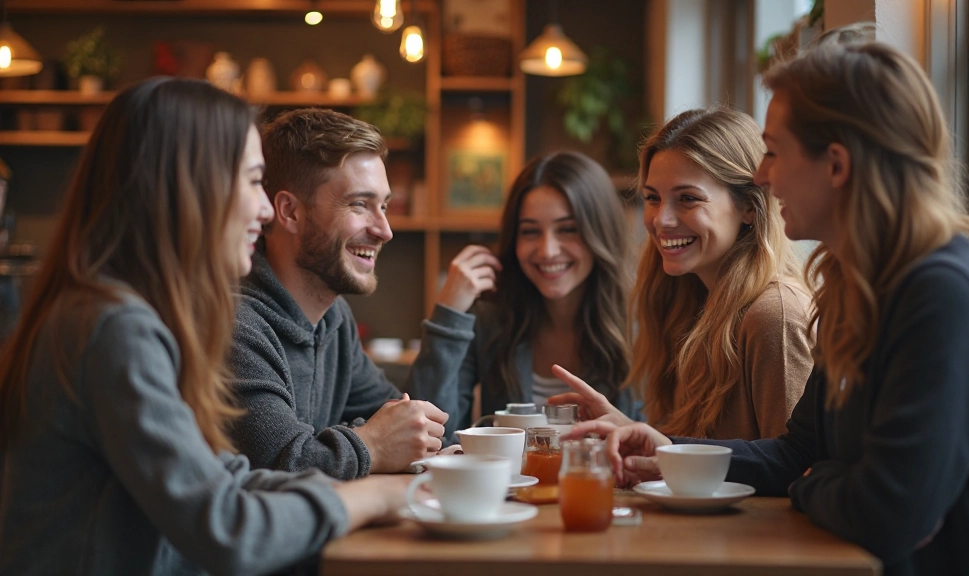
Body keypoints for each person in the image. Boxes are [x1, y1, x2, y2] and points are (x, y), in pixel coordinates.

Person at [573, 39, 969, 576]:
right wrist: (671, 449)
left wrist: (814, 481)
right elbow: (797, 451)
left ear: (836, 165)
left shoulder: (942, 296)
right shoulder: (852, 289)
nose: (762, 176)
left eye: (774, 151)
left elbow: (887, 513)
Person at [0, 78, 411, 576]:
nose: (265, 208)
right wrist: (368, 498)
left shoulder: (129, 317)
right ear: (185, 187)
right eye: (251, 180)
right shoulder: (112, 330)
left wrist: (382, 488)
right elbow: (226, 526)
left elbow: (225, 480)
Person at [550, 107, 814, 440]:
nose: (661, 220)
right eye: (652, 198)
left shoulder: (776, 316)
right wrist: (631, 431)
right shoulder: (686, 301)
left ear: (749, 206)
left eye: (687, 198)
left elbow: (792, 472)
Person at [229, 108, 448, 480]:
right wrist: (372, 443)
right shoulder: (237, 326)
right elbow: (284, 465)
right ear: (289, 212)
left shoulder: (334, 318)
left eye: (384, 206)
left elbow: (404, 420)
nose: (384, 230)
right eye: (359, 204)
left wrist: (377, 436)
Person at [409, 151, 638, 441]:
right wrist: (448, 313)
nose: (547, 250)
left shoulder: (642, 322)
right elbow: (426, 436)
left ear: (600, 232)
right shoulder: (491, 318)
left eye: (568, 229)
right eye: (530, 232)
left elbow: (661, 444)